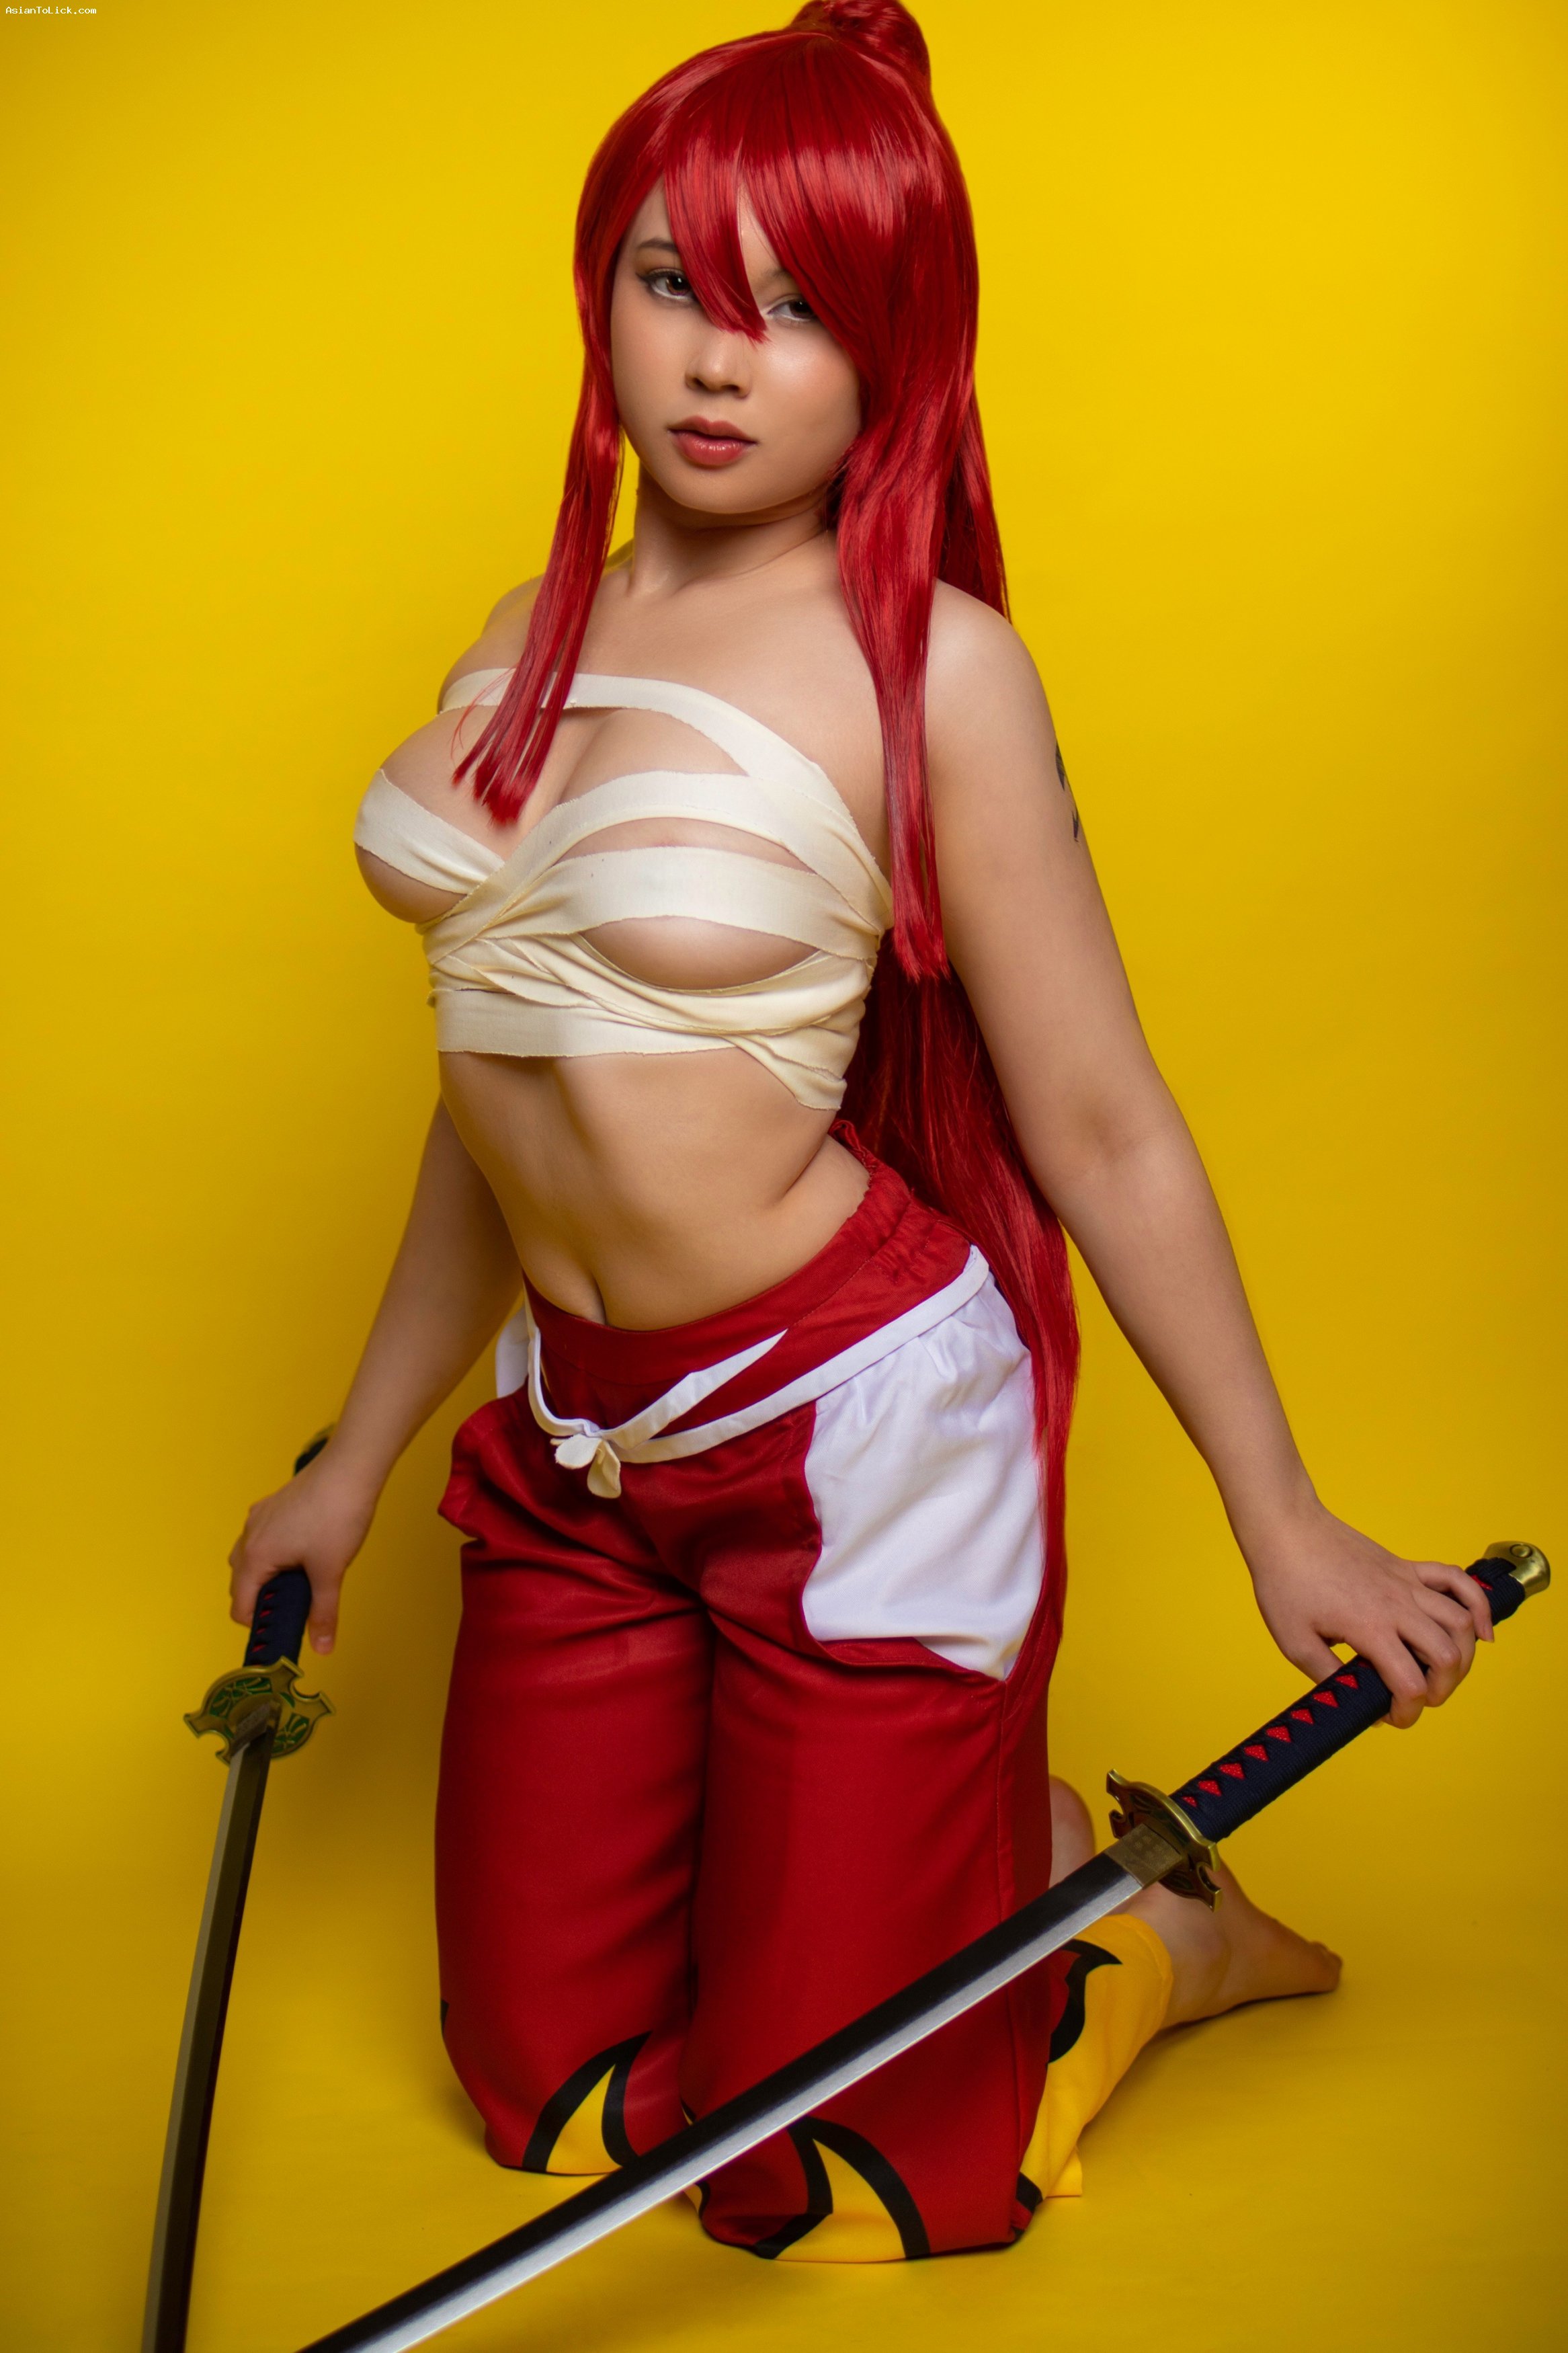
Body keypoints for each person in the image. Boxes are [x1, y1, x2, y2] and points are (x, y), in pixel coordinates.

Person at [227, 0, 1493, 2264]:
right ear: (602, 287)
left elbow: (1101, 1122)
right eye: (676, 281)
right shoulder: (519, 635)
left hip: (849, 1439)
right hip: (578, 1440)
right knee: (556, 2104)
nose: (723, 359)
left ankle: (1148, 1929)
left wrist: (1282, 1517)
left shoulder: (937, 669)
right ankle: (918, 1892)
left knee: (827, 2180)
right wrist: (351, 1452)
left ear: (896, 350)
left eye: (803, 308)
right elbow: (494, 1110)